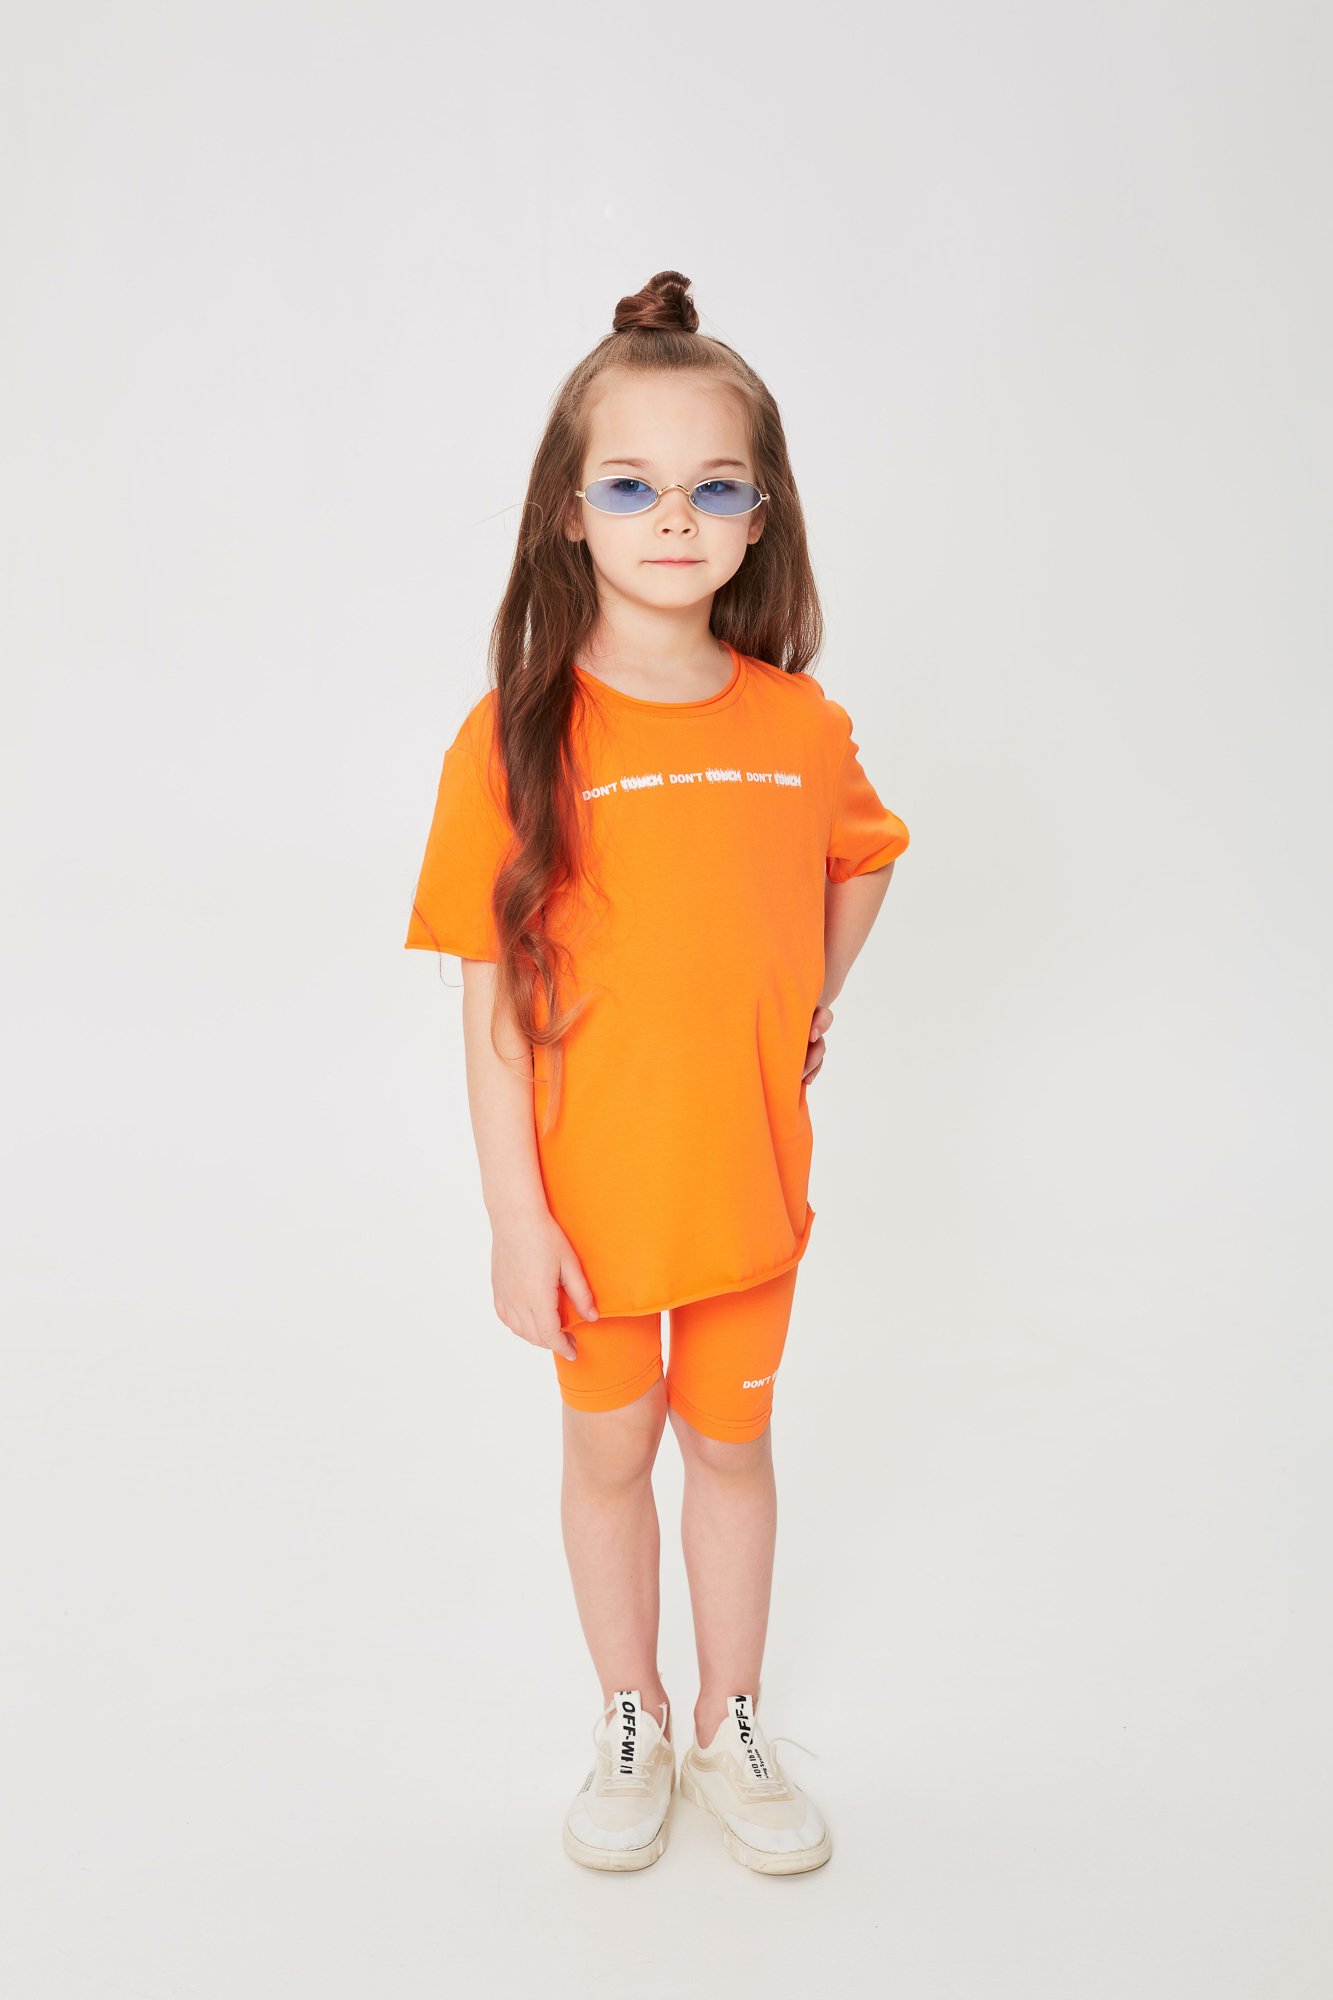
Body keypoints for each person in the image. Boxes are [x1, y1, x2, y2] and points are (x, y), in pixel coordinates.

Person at [407, 270, 908, 1875]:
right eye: (630, 486)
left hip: (748, 1191)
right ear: (571, 514)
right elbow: (491, 1003)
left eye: (712, 488)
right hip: (594, 1213)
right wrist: (515, 1219)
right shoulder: (515, 738)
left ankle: (727, 1720)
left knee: (732, 1451)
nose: (673, 518)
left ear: (760, 518)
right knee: (611, 1456)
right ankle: (626, 1711)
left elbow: (862, 856)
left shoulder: (798, 725)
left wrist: (807, 995)